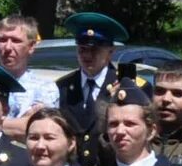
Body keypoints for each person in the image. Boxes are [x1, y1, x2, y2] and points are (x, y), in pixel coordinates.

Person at [47, 12, 128, 143]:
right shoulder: (62, 87)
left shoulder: (125, 85)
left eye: (94, 50)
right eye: (82, 49)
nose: (87, 55)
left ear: (110, 52)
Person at [0, 13, 62, 118]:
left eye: (16, 41)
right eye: (3, 40)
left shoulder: (44, 88)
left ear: (31, 46)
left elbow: (35, 128)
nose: (7, 47)